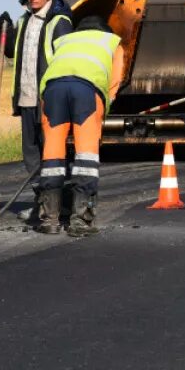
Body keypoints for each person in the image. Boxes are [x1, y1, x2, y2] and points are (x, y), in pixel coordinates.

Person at [36, 14, 125, 236]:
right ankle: (81, 220)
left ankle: (49, 219)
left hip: (52, 91)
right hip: (85, 92)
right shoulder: (111, 41)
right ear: (103, 29)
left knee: (52, 155)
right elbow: (115, 81)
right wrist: (106, 106)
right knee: (86, 156)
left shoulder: (65, 41)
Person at [0, 0, 73, 223]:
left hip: (49, 100)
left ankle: (59, 205)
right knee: (31, 156)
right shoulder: (24, 20)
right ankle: (43, 203)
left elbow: (66, 59)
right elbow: (10, 52)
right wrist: (2, 31)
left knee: (53, 154)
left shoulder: (59, 21)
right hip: (26, 99)